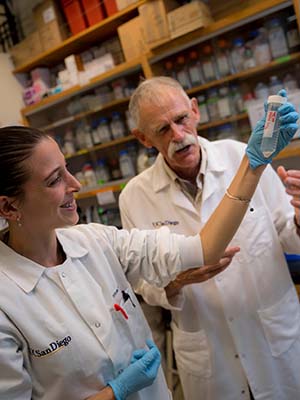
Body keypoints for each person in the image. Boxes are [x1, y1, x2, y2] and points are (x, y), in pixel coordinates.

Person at [0, 113, 294, 400]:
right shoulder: (6, 302)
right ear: (9, 208)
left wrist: (251, 168)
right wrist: (115, 393)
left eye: (67, 169)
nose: (75, 184)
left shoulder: (97, 240)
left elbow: (205, 248)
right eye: (55, 180)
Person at [119, 77, 300, 400]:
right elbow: (142, 284)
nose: (178, 135)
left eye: (181, 119)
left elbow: (291, 237)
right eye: (162, 130)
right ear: (142, 138)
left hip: (275, 340)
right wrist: (178, 281)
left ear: (195, 110)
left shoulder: (243, 157)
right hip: (210, 357)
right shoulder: (135, 197)